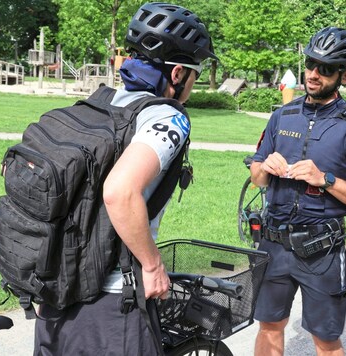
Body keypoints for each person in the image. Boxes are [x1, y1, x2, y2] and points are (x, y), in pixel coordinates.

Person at [33, 3, 217, 355]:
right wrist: (152, 265)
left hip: (60, 291)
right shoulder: (166, 117)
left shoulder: (101, 104)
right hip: (113, 302)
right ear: (177, 74)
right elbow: (119, 191)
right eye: (195, 74)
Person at [250, 27, 346, 356]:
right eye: (310, 63)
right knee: (269, 327)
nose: (313, 74)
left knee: (325, 341)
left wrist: (326, 179)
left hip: (320, 251)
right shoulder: (282, 115)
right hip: (273, 243)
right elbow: (255, 177)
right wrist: (264, 166)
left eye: (325, 68)